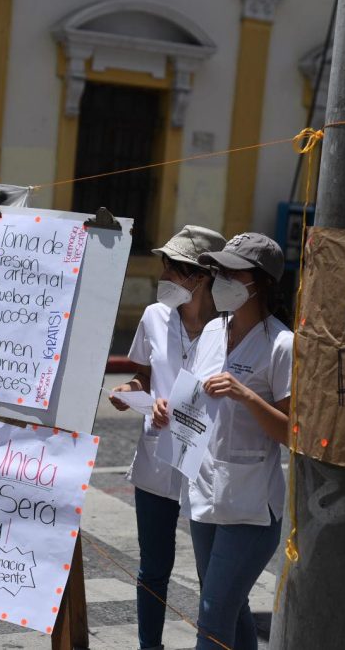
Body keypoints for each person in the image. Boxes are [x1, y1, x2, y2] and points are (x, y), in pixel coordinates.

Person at [155, 232, 292, 650]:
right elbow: (190, 396)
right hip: (204, 496)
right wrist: (165, 407)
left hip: (251, 507)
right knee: (230, 610)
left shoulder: (282, 344)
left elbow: (292, 432)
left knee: (213, 616)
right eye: (220, 270)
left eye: (233, 272)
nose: (221, 279)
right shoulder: (214, 329)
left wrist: (246, 394)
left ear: (261, 282)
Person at [109, 225, 226, 650]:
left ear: (202, 275)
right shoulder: (154, 317)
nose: (166, 277)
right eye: (165, 266)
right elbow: (143, 376)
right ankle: (149, 647)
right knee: (153, 567)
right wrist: (131, 394)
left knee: (212, 576)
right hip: (158, 455)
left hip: (207, 463)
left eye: (174, 269)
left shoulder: (231, 328)